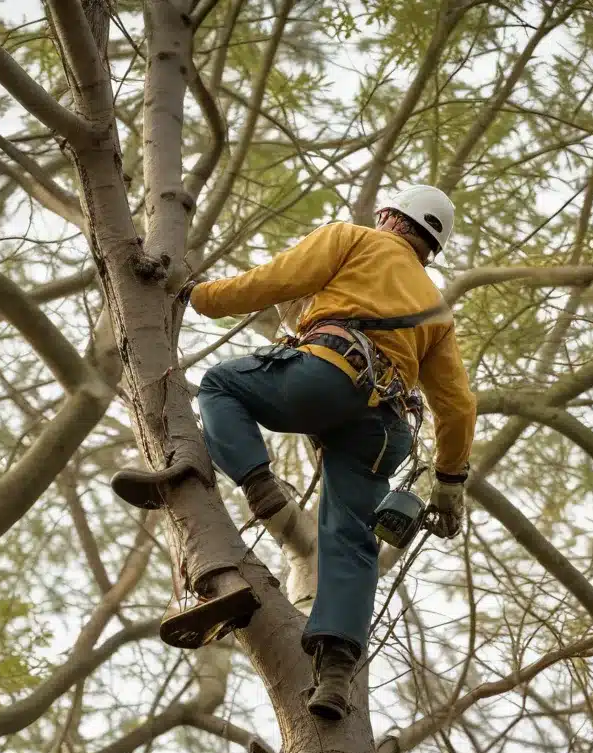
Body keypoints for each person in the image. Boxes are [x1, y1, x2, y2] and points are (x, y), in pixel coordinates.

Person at [112, 186, 477, 721]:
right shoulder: (437, 311)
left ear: (391, 220)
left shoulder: (351, 240)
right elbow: (459, 406)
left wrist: (197, 296)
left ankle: (260, 488)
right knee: (350, 543)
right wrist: (449, 481)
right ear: (429, 247)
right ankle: (334, 670)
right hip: (385, 428)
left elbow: (274, 280)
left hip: (329, 376)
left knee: (220, 385)